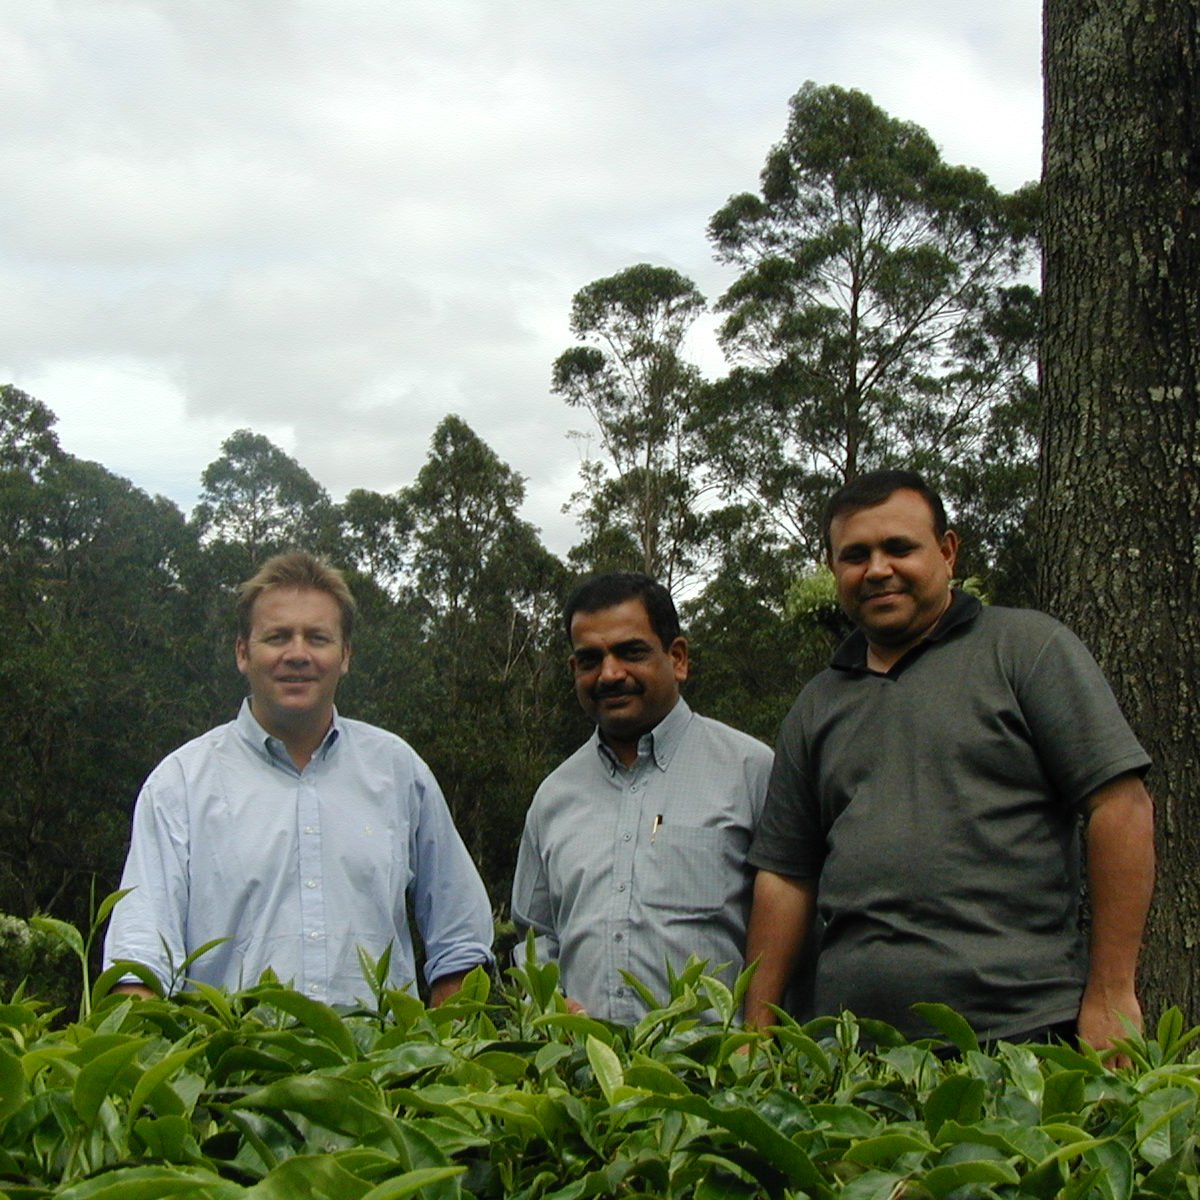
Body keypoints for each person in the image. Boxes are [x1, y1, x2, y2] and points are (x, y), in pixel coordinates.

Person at [744, 470, 1155, 1052]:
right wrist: (755, 1033)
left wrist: (1112, 993)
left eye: (899, 548)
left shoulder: (1026, 650)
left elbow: (1121, 807)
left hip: (1022, 1040)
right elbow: (786, 877)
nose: (878, 569)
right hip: (851, 1061)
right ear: (835, 569)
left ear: (946, 551)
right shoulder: (818, 703)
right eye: (855, 555)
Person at [104, 551, 493, 1006]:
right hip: (226, 1067)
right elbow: (139, 959)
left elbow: (460, 938)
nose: (297, 655)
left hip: (378, 1071)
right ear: (242, 653)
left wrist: (445, 1054)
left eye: (317, 638)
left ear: (345, 655)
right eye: (277, 637)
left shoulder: (399, 772)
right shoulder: (180, 785)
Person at [511, 572, 773, 1022]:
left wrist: (761, 1042)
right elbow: (533, 936)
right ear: (575, 671)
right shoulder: (554, 796)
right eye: (590, 659)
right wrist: (550, 1003)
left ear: (678, 658)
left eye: (631, 652)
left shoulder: (750, 772)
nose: (610, 674)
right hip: (584, 1076)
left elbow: (794, 931)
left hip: (722, 1077)